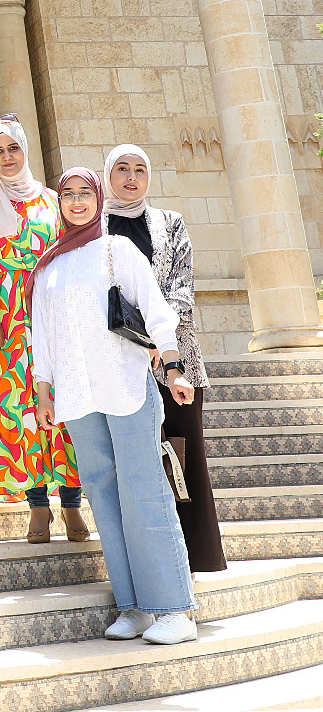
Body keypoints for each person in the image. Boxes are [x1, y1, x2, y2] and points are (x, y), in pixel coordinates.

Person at [33, 167, 200, 645]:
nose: (77, 202)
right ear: (58, 202)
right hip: (77, 395)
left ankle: (175, 609)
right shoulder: (48, 267)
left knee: (144, 492)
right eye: (68, 194)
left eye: (85, 193)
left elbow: (155, 307)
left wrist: (174, 367)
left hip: (125, 385)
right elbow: (41, 335)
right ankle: (133, 607)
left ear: (98, 198)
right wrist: (43, 391)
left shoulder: (117, 249)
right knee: (104, 499)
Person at [0, 116, 85, 542]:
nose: (7, 157)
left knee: (63, 407)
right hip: (8, 324)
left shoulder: (50, 200)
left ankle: (72, 504)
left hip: (53, 317)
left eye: (13, 148)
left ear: (25, 150)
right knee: (19, 412)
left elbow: (69, 256)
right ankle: (38, 507)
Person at [104, 143, 226, 573]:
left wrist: (160, 337)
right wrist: (139, 338)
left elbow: (181, 287)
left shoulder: (170, 222)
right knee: (134, 462)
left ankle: (196, 558)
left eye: (140, 169)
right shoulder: (96, 228)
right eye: (122, 169)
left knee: (184, 455)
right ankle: (148, 562)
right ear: (108, 176)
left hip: (176, 359)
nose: (131, 177)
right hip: (119, 358)